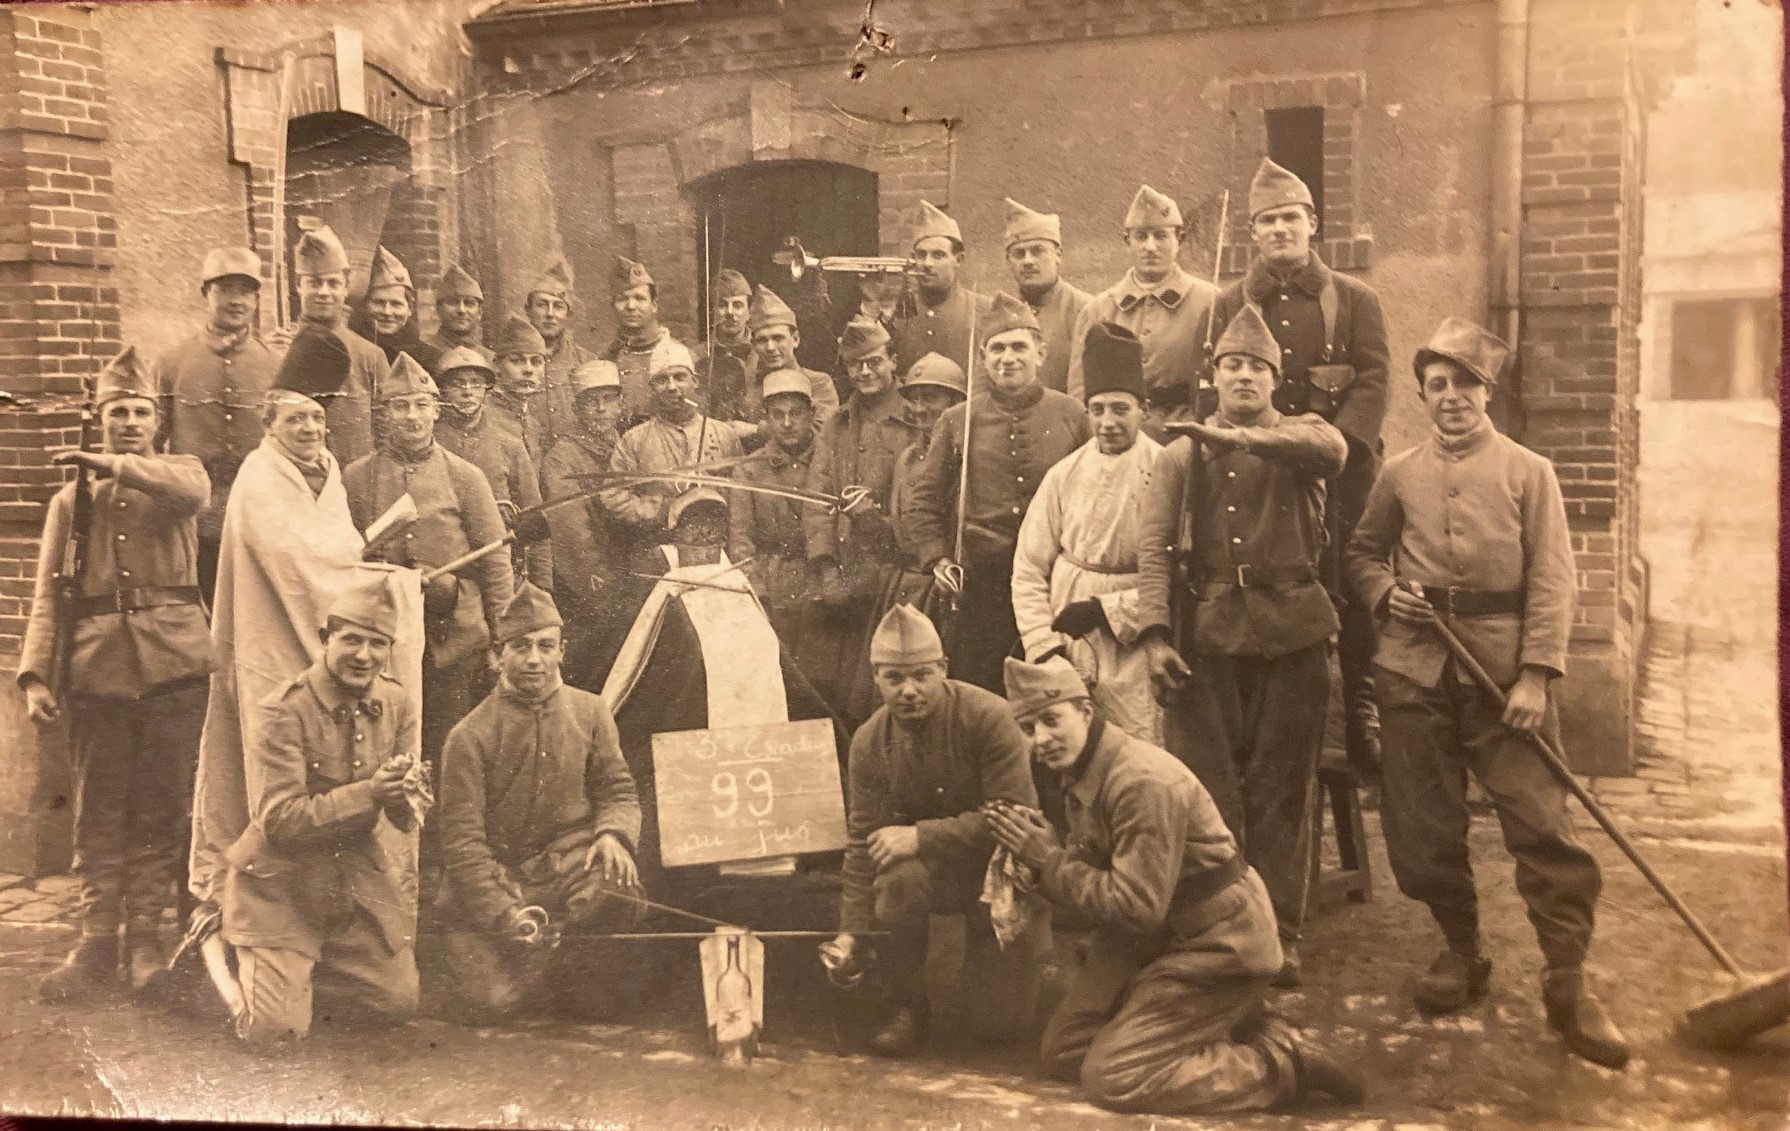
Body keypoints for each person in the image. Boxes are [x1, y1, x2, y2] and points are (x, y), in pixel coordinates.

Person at [1345, 317, 1626, 1068]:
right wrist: (1385, 594)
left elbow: (1553, 578)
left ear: (1487, 391)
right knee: (1422, 827)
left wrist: (1535, 674)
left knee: (1542, 825)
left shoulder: (1530, 472)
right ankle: (1461, 949)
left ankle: (1567, 978)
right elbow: (1362, 553)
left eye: (1463, 383)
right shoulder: (1399, 473)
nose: (1450, 397)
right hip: (1414, 670)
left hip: (1503, 677)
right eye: (1436, 385)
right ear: (1422, 396)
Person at [990, 656, 1364, 1114]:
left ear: (1085, 710)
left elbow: (1135, 905)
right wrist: (1042, 863)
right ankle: (1230, 1024)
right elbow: (1104, 878)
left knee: (1116, 1077)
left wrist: (1049, 861)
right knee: (1066, 1051)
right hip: (1159, 935)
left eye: (1051, 720)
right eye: (1028, 729)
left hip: (1217, 943)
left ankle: (1283, 1063)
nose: (1041, 739)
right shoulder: (1086, 769)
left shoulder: (1140, 782)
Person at [185, 377, 423, 995]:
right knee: (275, 781)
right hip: (272, 638)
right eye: (296, 419)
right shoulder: (260, 479)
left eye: (317, 417)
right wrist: (387, 583)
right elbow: (300, 565)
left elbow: (337, 556)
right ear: (270, 426)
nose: (310, 429)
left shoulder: (328, 474)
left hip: (325, 637)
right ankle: (253, 920)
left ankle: (338, 934)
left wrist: (372, 574)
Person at [1135, 305, 1347, 989]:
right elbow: (1153, 550)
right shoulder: (1181, 455)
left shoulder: (1306, 435)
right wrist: (1156, 636)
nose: (1244, 377)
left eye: (1257, 367)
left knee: (1284, 792)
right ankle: (1225, 926)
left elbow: (1331, 453)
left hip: (1294, 634)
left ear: (1276, 379)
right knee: (1212, 790)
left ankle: (1281, 929)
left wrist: (1238, 439)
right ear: (1214, 376)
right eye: (1232, 366)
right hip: (1210, 637)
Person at [21, 347, 214, 1001]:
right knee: (99, 809)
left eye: (139, 413)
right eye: (117, 413)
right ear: (99, 418)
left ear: (157, 422)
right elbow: (49, 593)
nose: (129, 423)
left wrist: (112, 466)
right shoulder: (70, 502)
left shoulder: (179, 473)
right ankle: (96, 939)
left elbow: (193, 494)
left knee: (162, 806)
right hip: (97, 670)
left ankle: (146, 940)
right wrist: (36, 677)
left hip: (174, 666)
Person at [1212, 157, 1392, 789]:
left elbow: (1373, 380)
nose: (1280, 230)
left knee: (1347, 577)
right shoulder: (1230, 302)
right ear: (1252, 233)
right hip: (1259, 474)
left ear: (1313, 223)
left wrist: (1334, 447)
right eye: (1267, 221)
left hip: (1340, 475)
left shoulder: (1355, 300)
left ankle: (1360, 706)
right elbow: (1214, 384)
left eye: (1291, 217)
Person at [573, 489, 837, 888]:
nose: (703, 536)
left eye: (713, 526)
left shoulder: (735, 582)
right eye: (692, 527)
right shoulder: (660, 582)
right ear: (675, 533)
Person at [830, 604, 1044, 1057]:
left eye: (922, 675)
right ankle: (907, 1002)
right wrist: (851, 932)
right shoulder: (869, 742)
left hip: (1000, 872)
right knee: (897, 882)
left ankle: (1018, 970)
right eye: (894, 678)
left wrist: (922, 836)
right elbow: (863, 842)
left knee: (1000, 1027)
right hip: (934, 874)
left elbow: (1016, 817)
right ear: (876, 677)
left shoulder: (990, 717)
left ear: (943, 669)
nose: (909, 690)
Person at [222, 579, 422, 1046]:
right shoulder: (285, 709)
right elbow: (280, 821)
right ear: (325, 638)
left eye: (378, 643)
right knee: (276, 1033)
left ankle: (296, 977)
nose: (364, 656)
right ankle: (218, 946)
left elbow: (403, 818)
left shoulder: (396, 703)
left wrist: (407, 794)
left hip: (351, 881)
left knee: (395, 1003)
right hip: (282, 882)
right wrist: (371, 791)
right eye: (351, 639)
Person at [435, 582, 643, 1023]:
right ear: (498, 655)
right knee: (494, 1003)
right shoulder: (468, 736)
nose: (534, 659)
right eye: (521, 646)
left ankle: (563, 965)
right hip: (501, 880)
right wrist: (504, 913)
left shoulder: (592, 712)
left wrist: (613, 835)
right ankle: (532, 964)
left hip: (569, 871)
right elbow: (462, 845)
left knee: (615, 885)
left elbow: (618, 790)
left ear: (561, 651)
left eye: (545, 646)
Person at [905, 293, 1090, 693]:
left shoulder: (1072, 414)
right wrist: (937, 558)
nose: (1008, 358)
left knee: (1056, 688)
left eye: (1019, 347)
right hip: (982, 581)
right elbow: (923, 501)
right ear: (984, 358)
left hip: (1054, 577)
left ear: (1040, 354)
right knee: (984, 689)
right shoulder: (958, 420)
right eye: (997, 348)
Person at [343, 354, 515, 772]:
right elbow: (343, 556)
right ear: (385, 413)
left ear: (437, 411)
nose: (412, 416)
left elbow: (495, 561)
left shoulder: (466, 477)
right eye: (400, 406)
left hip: (453, 634)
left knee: (450, 741)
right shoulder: (357, 477)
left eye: (421, 405)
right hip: (386, 634)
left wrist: (502, 638)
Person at [1011, 322, 1164, 744]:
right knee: (1070, 739)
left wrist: (1107, 610)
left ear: (1144, 410)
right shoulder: (1064, 474)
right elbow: (1028, 568)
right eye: (1097, 410)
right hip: (1067, 630)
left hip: (1136, 637)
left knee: (1135, 740)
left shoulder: (1167, 471)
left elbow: (1178, 573)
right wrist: (1044, 643)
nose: (1107, 422)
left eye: (1120, 409)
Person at [803, 317, 923, 724]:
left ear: (893, 361)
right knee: (839, 692)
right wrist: (826, 569)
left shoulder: (915, 420)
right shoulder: (836, 424)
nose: (866, 372)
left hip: (894, 575)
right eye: (856, 365)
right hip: (844, 577)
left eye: (874, 362)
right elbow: (816, 499)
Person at [154, 247, 280, 599]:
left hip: (260, 513)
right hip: (195, 518)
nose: (236, 300)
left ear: (256, 299)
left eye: (245, 291)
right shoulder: (171, 363)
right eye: (225, 289)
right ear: (205, 293)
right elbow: (154, 442)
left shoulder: (275, 364)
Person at [1067, 185, 1218, 435]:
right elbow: (1079, 392)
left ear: (1179, 240)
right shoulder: (1098, 310)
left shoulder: (1210, 301)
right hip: (1119, 435)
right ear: (1127, 242)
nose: (1150, 247)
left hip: (1187, 433)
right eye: (1140, 237)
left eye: (1161, 236)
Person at [727, 368, 831, 699]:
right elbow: (741, 539)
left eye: (796, 413)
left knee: (825, 682)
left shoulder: (833, 460)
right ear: (766, 418)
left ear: (812, 414)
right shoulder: (749, 468)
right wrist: (757, 596)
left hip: (824, 583)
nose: (787, 423)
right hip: (774, 586)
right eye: (777, 414)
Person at [599, 339, 744, 572]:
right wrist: (661, 510)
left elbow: (742, 495)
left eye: (679, 377)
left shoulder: (724, 435)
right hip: (657, 553)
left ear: (695, 381)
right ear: (652, 387)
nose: (672, 387)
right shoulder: (634, 440)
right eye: (662, 380)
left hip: (717, 551)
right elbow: (612, 496)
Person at [434, 346, 552, 590]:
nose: (468, 391)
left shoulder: (509, 444)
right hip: (443, 567)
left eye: (476, 383)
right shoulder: (430, 442)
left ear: (487, 388)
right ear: (443, 390)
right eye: (457, 384)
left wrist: (542, 586)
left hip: (499, 568)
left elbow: (535, 520)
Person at [287, 225, 390, 465]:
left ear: (346, 288)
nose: (324, 292)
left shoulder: (370, 355)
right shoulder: (280, 348)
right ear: (299, 285)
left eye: (333, 283)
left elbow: (387, 431)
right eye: (314, 283)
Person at [541, 358, 626, 628]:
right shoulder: (562, 458)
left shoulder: (626, 445)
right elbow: (571, 531)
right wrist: (599, 579)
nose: (601, 409)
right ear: (577, 408)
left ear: (620, 404)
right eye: (591, 401)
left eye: (608, 399)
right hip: (590, 579)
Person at [891, 200, 994, 376]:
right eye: (921, 255)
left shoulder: (985, 310)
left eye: (938, 255)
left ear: (958, 260)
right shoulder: (898, 313)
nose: (927, 263)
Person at [1002, 198, 1091, 395]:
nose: (1028, 261)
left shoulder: (1086, 310)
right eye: (1019, 253)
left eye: (1037, 251)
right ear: (1008, 261)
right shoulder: (1002, 312)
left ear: (1058, 255)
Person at [523, 257, 592, 455]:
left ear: (568, 314)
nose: (550, 314)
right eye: (542, 305)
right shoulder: (512, 362)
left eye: (558, 307)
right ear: (528, 311)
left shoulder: (586, 361)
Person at [743, 285, 840, 426]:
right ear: (753, 344)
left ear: (795, 339)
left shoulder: (819, 384)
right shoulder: (749, 387)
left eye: (778, 338)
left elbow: (822, 430)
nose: (770, 348)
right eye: (762, 340)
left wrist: (754, 430)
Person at [351, 245, 444, 376]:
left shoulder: (430, 358)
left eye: (396, 304)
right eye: (379, 303)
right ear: (366, 305)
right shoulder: (354, 350)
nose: (387, 312)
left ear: (410, 308)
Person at [605, 256, 676, 424]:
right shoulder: (605, 359)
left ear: (654, 305)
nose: (630, 306)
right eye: (622, 299)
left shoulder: (676, 355)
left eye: (639, 298)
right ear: (612, 305)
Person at [486, 313, 551, 467]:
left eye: (536, 362)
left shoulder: (533, 422)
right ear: (496, 365)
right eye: (517, 361)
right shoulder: (483, 417)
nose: (528, 370)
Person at [696, 267, 756, 424]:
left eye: (738, 305)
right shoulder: (696, 355)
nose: (730, 312)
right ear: (711, 311)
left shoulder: (763, 355)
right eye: (722, 305)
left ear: (749, 312)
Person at [427, 263, 491, 361]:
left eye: (469, 303)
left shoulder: (489, 358)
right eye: (452, 302)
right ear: (438, 309)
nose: (461, 310)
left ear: (480, 313)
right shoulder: (426, 351)